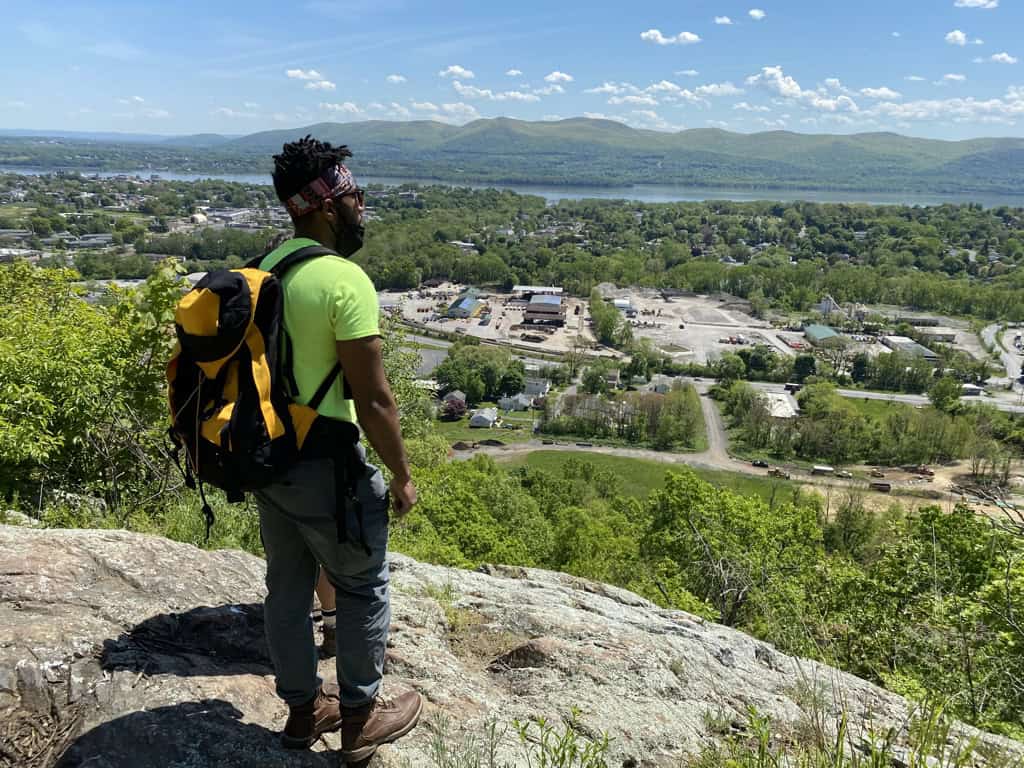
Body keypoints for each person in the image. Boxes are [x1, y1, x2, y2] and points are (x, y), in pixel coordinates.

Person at [255, 135, 422, 760]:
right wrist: (403, 476)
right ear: (326, 203)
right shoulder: (343, 278)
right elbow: (374, 398)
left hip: (269, 459)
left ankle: (303, 712)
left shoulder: (266, 267)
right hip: (326, 461)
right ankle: (358, 718)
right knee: (363, 586)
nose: (362, 210)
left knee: (287, 588)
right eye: (357, 197)